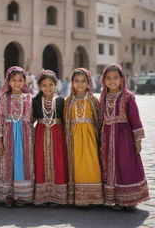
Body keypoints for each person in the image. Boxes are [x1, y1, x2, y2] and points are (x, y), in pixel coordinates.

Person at [100, 64, 149, 211]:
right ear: (103, 80)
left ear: (122, 79)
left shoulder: (128, 97)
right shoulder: (103, 96)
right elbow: (100, 118)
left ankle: (130, 199)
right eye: (108, 78)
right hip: (107, 137)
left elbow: (135, 118)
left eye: (115, 78)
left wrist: (137, 140)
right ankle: (114, 199)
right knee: (110, 167)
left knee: (126, 165)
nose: (112, 81)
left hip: (124, 138)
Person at [0, 66, 34, 207]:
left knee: (22, 164)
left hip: (25, 137)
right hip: (8, 136)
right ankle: (8, 195)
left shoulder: (29, 98)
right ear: (8, 82)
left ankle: (22, 195)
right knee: (8, 163)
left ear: (25, 81)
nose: (17, 83)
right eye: (14, 80)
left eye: (20, 80)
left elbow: (32, 118)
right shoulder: (4, 98)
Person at [64, 68, 103, 206]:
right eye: (77, 81)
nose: (80, 84)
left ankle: (94, 196)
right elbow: (65, 122)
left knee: (92, 164)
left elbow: (99, 119)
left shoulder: (93, 100)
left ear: (88, 83)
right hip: (74, 139)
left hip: (90, 138)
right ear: (72, 83)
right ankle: (80, 198)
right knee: (77, 166)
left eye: (83, 81)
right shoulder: (68, 101)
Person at [32, 70, 68, 205]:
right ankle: (43, 196)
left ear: (56, 84)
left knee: (58, 161)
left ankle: (57, 197)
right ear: (40, 86)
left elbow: (65, 120)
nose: (48, 88)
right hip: (41, 134)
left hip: (57, 134)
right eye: (44, 85)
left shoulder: (60, 100)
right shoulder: (36, 101)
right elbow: (32, 119)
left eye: (51, 84)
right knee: (40, 160)